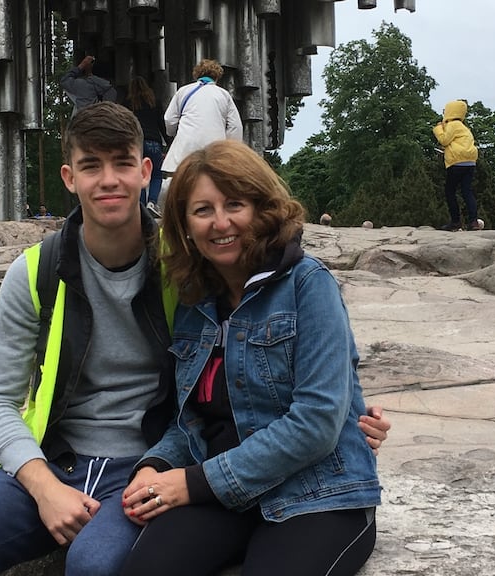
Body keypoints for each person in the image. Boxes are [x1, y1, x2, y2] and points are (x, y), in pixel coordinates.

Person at [0, 102, 391, 576]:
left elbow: (298, 390)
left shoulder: (187, 269)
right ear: (69, 177)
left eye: (122, 163)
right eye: (90, 166)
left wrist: (349, 418)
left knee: (97, 566)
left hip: (149, 462)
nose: (108, 180)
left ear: (145, 171)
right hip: (65, 458)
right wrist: (42, 485)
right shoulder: (43, 272)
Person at [118, 140, 381, 576]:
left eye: (235, 204)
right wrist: (157, 465)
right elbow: (193, 419)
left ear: (262, 209)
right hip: (222, 494)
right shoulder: (195, 301)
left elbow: (317, 420)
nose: (221, 222)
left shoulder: (308, 285)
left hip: (317, 493)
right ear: (184, 224)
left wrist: (191, 482)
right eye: (202, 210)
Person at [161, 59, 242, 175]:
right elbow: (235, 127)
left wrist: (172, 133)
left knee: (181, 186)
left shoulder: (183, 91)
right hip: (214, 151)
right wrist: (229, 150)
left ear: (197, 75)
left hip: (185, 151)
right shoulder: (224, 94)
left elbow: (169, 119)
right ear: (217, 77)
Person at [433, 100, 482, 232]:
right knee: (467, 191)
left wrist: (438, 128)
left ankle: (455, 222)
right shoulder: (465, 127)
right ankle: (473, 221)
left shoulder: (452, 125)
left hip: (457, 162)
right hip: (470, 161)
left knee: (450, 191)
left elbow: (444, 140)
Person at [125, 75, 168, 213]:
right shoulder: (154, 102)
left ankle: (141, 206)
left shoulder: (128, 103)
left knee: (139, 174)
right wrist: (169, 145)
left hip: (136, 143)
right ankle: (152, 202)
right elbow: (162, 125)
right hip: (154, 142)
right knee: (156, 174)